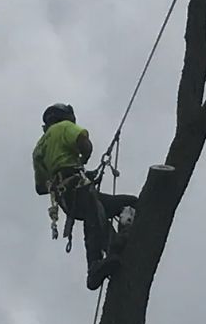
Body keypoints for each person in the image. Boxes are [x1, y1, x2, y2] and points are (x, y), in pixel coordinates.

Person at [32, 103, 138, 290]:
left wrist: (67, 174)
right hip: (77, 189)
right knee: (109, 210)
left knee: (112, 208)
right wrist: (82, 160)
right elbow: (84, 144)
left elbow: (40, 187)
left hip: (66, 197)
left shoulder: (39, 147)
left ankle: (116, 245)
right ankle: (94, 266)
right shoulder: (64, 127)